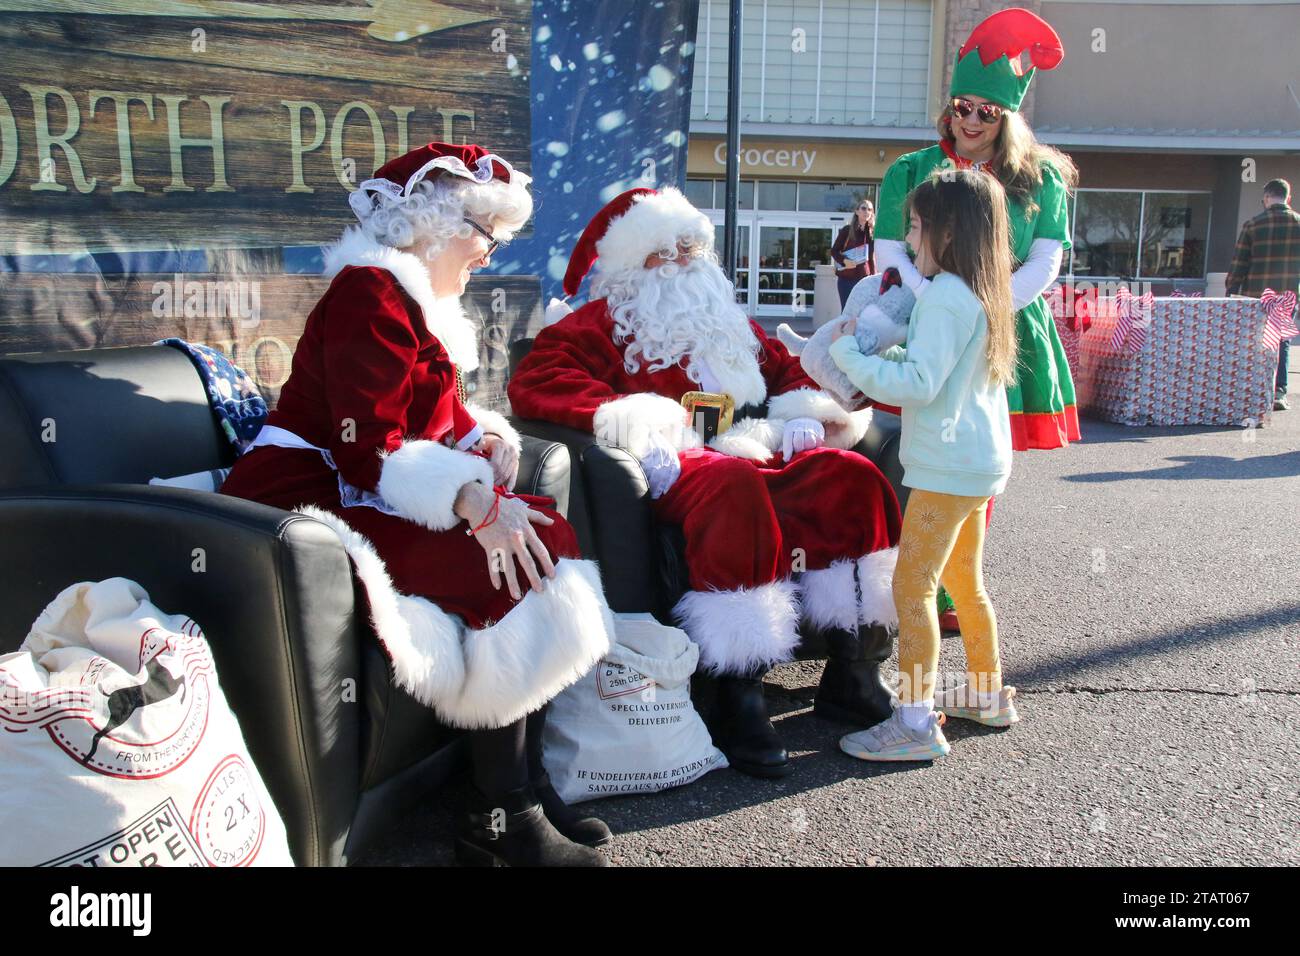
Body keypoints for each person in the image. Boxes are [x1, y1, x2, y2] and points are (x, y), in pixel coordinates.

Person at [220, 142, 617, 867]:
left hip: (357, 489)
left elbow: (432, 419)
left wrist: (481, 443)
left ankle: (520, 783)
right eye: (482, 233)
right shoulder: (366, 293)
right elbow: (366, 445)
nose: (489, 254)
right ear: (430, 222)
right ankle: (498, 816)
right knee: (497, 561)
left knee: (543, 532)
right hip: (300, 504)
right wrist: (472, 501)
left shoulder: (415, 301)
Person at [508, 187, 902, 779]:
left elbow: (788, 366)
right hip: (678, 464)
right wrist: (638, 424)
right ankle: (736, 690)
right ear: (629, 267)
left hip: (755, 449)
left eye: (691, 246)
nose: (683, 261)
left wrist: (799, 413)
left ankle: (855, 666)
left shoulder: (728, 323)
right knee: (731, 488)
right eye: (664, 251)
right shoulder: (597, 325)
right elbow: (539, 381)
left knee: (852, 476)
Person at [873, 6, 1078, 634]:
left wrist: (987, 307)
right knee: (917, 449)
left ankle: (951, 590)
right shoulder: (909, 170)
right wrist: (934, 302)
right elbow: (886, 251)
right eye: (961, 107)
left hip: (1008, 329)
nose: (969, 121)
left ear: (1007, 117)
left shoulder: (1040, 177)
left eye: (985, 112)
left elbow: (1047, 259)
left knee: (975, 455)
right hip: (925, 325)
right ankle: (919, 577)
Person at [829, 169, 1018, 761]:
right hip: (978, 464)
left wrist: (845, 356)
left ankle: (913, 720)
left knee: (913, 586)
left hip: (945, 468)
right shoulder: (980, 293)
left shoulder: (942, 298)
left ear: (949, 229)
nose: (909, 241)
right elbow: (938, 370)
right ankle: (986, 693)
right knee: (964, 582)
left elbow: (918, 382)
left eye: (915, 226)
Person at [1226, 178, 1300, 411]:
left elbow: (1240, 263)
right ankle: (1278, 392)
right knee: (1281, 341)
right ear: (1288, 198)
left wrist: (1230, 290)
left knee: (1254, 342)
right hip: (1288, 296)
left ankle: (1252, 389)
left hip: (1256, 296)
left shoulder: (1253, 225)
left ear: (1267, 198)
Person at [831, 199, 876, 307]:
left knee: (862, 313)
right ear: (857, 211)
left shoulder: (872, 233)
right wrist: (845, 261)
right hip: (847, 279)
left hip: (864, 279)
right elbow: (834, 251)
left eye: (870, 209)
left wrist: (874, 278)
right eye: (863, 208)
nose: (867, 212)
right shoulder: (847, 230)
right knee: (847, 312)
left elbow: (871, 258)